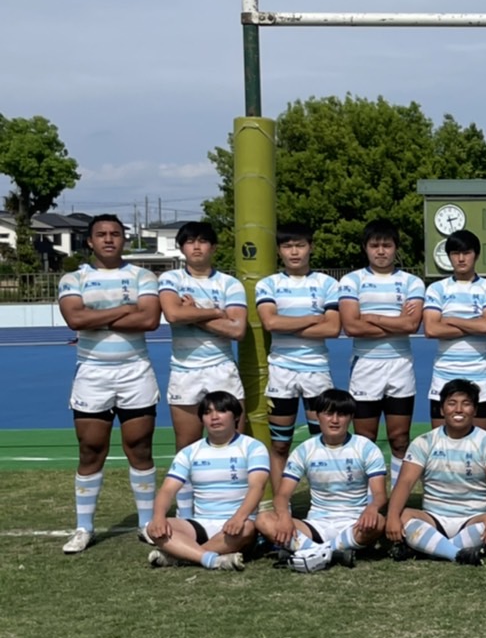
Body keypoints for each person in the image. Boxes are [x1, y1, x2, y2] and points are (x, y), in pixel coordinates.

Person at [57, 213, 162, 554]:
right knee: (90, 449)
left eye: (115, 234)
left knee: (140, 448)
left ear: (124, 239)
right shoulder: (74, 277)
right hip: (93, 373)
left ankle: (146, 524)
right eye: (101, 234)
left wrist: (96, 317)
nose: (108, 239)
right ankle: (84, 528)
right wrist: (124, 309)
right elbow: (75, 318)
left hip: (135, 371)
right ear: (90, 241)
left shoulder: (143, 275)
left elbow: (150, 319)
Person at [157, 221, 247, 520]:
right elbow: (173, 314)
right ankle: (187, 516)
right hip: (185, 371)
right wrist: (215, 312)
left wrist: (193, 313)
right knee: (187, 447)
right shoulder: (171, 278)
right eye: (190, 241)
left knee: (234, 445)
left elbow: (237, 330)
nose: (196, 247)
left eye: (203, 241)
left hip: (222, 370)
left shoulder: (230, 284)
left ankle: (235, 512)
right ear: (181, 248)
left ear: (214, 247)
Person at [255, 221, 342, 493]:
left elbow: (332, 328)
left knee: (324, 440)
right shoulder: (268, 284)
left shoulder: (327, 284)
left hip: (317, 371)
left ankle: (323, 500)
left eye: (300, 246)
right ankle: (283, 504)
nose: (294, 252)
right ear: (279, 250)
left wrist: (288, 323)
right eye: (287, 246)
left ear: (310, 247)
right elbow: (270, 323)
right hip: (281, 372)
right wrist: (313, 318)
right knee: (280, 444)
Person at [338, 219, 425, 489]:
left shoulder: (411, 282)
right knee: (365, 439)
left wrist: (371, 317)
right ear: (365, 248)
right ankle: (370, 500)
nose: (381, 251)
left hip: (400, 367)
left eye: (387, 245)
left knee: (400, 438)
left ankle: (397, 500)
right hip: (365, 367)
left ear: (395, 248)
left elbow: (412, 325)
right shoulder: (352, 280)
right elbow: (352, 326)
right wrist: (396, 322)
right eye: (374, 245)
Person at [385, 380, 486, 565]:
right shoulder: (424, 442)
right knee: (401, 516)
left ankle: (431, 547)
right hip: (433, 519)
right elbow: (405, 483)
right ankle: (457, 553)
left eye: (466, 404)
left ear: (475, 410)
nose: (458, 409)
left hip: (474, 518)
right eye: (452, 403)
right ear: (442, 410)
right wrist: (392, 517)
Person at [144, 392, 268, 571]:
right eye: (207, 412)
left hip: (238, 523)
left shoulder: (253, 447)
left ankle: (181, 555)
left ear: (236, 416)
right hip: (200, 524)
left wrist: (238, 517)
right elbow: (167, 490)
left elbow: (258, 486)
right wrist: (158, 517)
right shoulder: (189, 452)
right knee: (152, 528)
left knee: (247, 528)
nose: (214, 417)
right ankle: (210, 559)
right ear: (201, 419)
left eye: (222, 411)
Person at [271, 388, 387, 568]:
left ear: (351, 417)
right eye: (328, 414)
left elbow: (380, 495)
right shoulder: (304, 450)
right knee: (264, 520)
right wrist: (284, 515)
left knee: (378, 522)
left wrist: (372, 508)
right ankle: (334, 552)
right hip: (316, 525)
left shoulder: (366, 448)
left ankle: (312, 551)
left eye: (342, 414)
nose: (334, 420)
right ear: (318, 416)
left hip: (354, 523)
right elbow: (282, 495)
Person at [422, 228, 486, 431]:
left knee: (480, 442)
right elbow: (431, 329)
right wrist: (475, 324)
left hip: (479, 377)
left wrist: (449, 319)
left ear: (476, 255)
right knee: (440, 443)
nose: (460, 258)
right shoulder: (436, 288)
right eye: (455, 253)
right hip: (443, 376)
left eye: (466, 253)